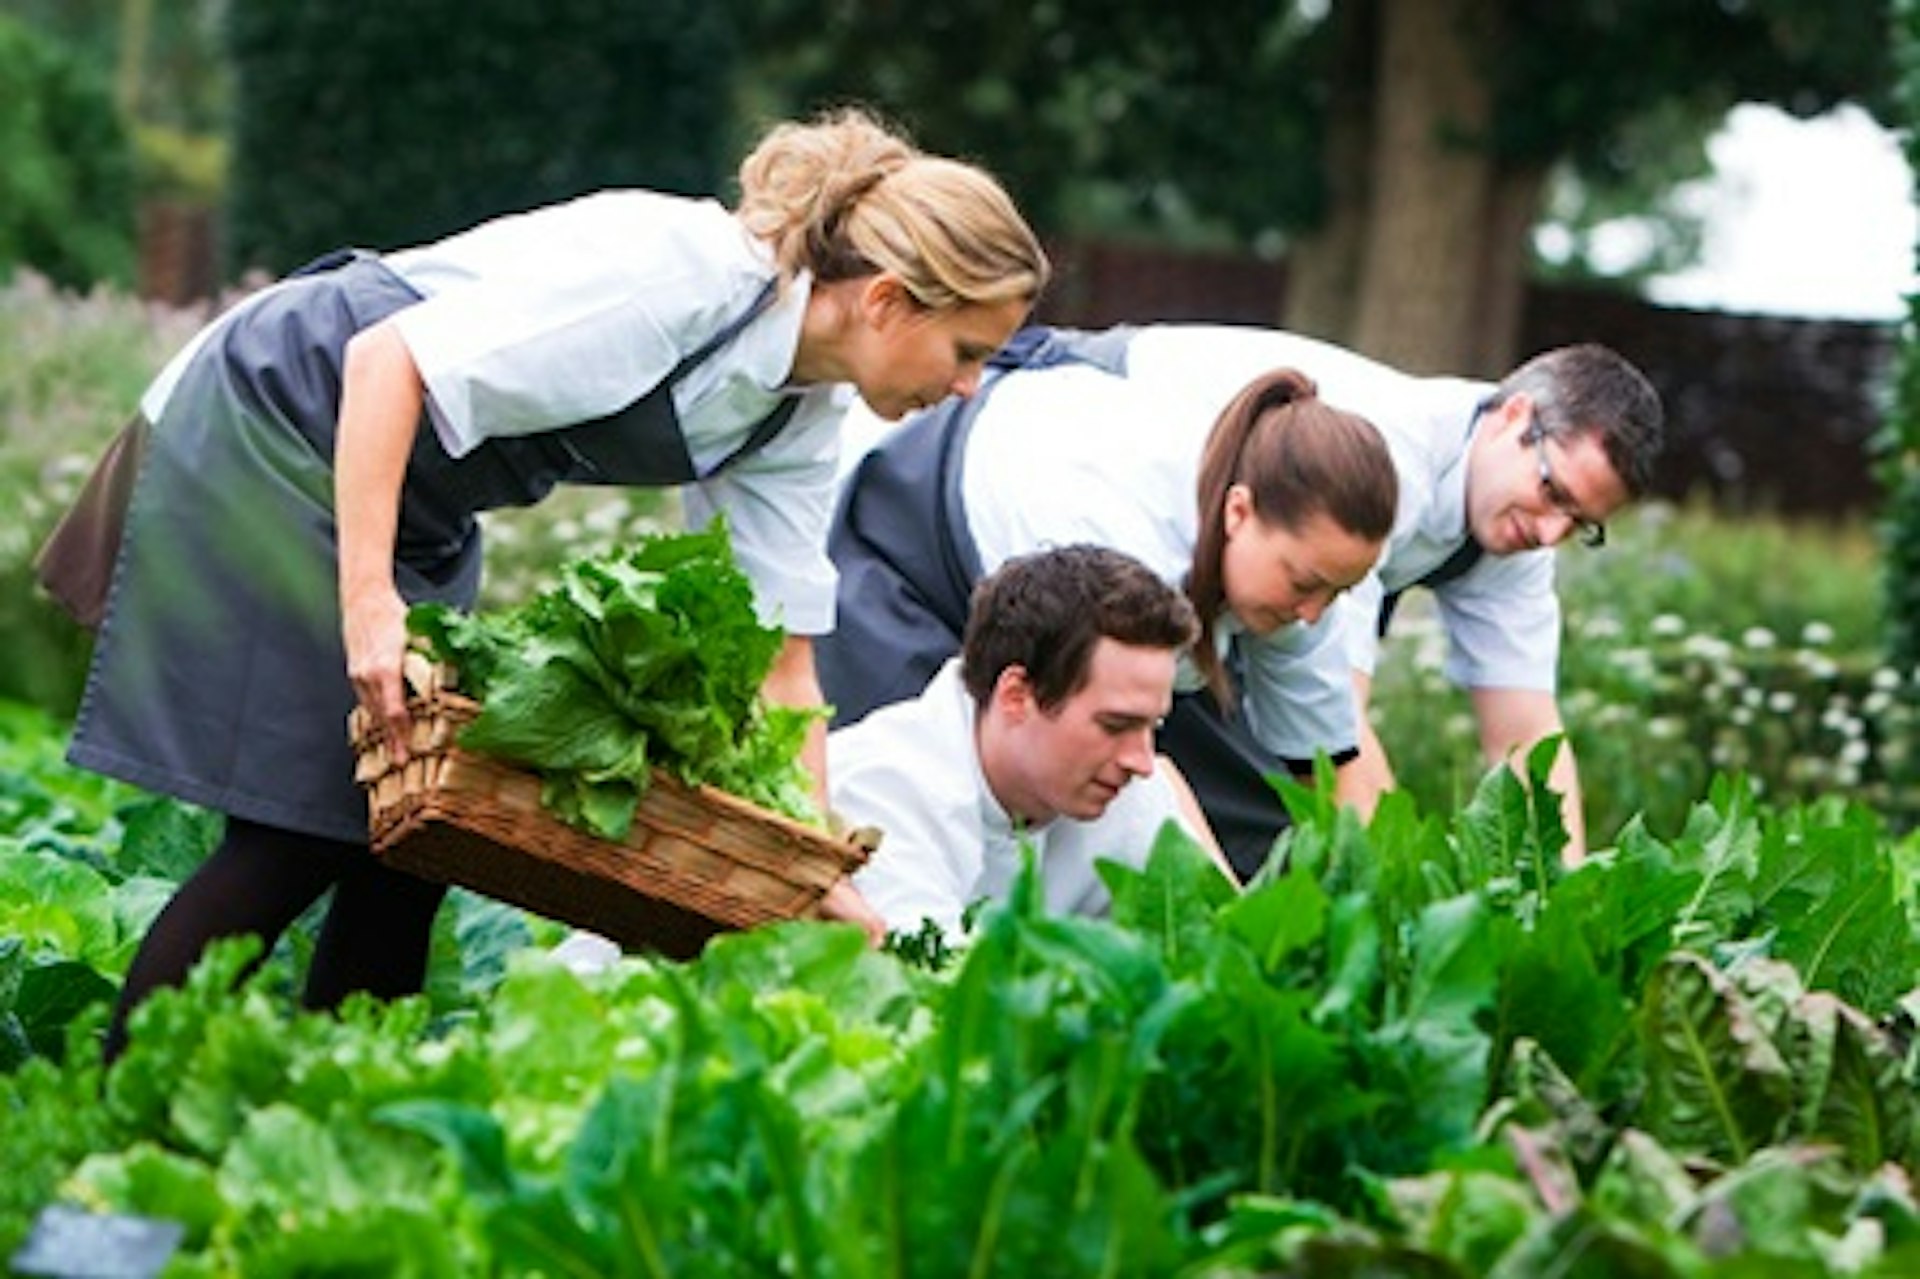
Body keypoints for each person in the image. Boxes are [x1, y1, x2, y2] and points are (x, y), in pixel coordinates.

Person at [78, 107, 1049, 1061]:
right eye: (968, 351)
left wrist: (808, 867)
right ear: (885, 300)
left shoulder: (796, 415)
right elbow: (388, 360)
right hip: (291, 417)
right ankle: (123, 1127)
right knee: (296, 832)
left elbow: (784, 664)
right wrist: (370, 605)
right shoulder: (683, 275)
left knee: (417, 836)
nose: (969, 387)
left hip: (416, 500)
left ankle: (347, 1106)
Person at [819, 324, 1662, 874]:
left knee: (1260, 813)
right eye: (1552, 492)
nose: (1550, 531)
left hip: (1189, 563)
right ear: (1516, 417)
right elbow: (1159, 768)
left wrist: (1533, 909)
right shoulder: (1368, 467)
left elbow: (1337, 760)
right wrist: (1221, 903)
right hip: (928, 529)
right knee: (960, 798)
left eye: (1578, 523)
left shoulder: (1316, 568)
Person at [820, 330, 1401, 880]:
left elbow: (1329, 765)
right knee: (936, 806)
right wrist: (1229, 930)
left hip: (1061, 567)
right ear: (1239, 513)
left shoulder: (1299, 573)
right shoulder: (1121, 535)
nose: (1313, 615)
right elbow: (1150, 776)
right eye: (1304, 584)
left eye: (1338, 593)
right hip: (917, 538)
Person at [831, 544, 1235, 941]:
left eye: (1153, 727)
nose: (1142, 762)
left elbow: (1226, 944)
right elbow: (936, 990)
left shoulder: (1126, 787)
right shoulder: (883, 792)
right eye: (1115, 725)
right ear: (1016, 696)